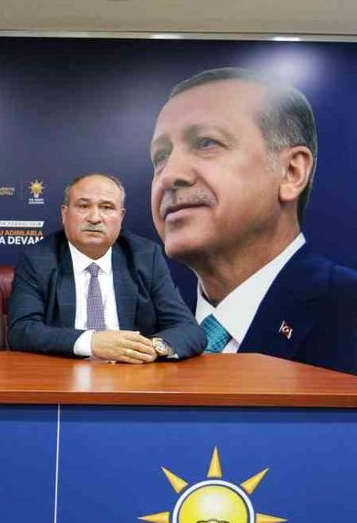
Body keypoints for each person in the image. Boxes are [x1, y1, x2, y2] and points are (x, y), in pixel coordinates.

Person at [150, 67, 357, 375]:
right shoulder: (145, 329)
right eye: (160, 157)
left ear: (291, 172)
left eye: (206, 143)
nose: (169, 175)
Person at [8, 173, 204, 362]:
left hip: (132, 374)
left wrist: (151, 348)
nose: (95, 218)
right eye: (83, 206)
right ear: (64, 214)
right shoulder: (38, 259)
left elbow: (188, 329)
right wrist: (91, 342)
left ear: (121, 216)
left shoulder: (145, 256)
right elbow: (21, 331)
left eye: (107, 207)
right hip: (64, 375)